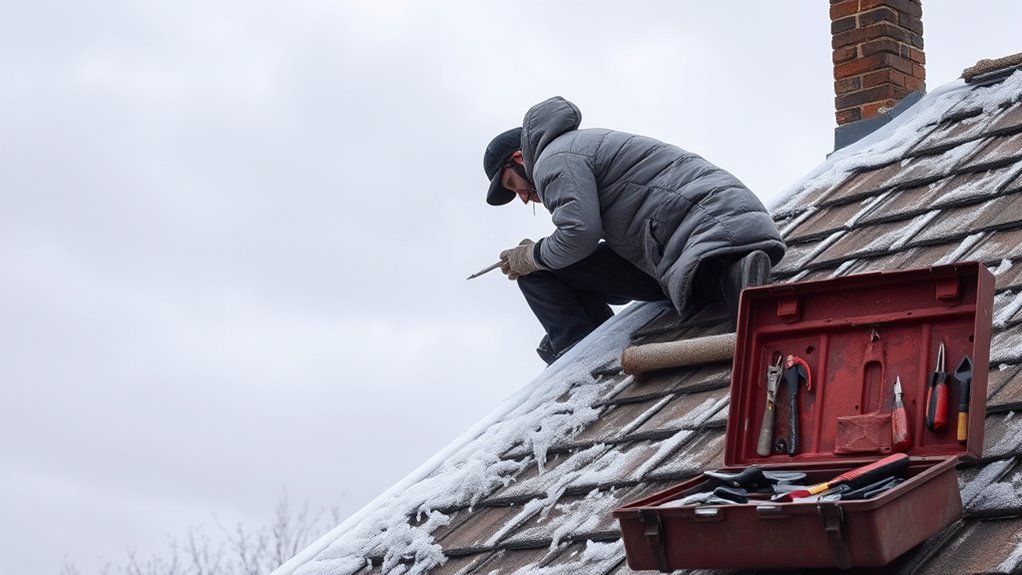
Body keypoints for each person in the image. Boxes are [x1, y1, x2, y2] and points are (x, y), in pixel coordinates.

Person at [483, 96, 785, 364]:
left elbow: (579, 234)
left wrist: (532, 257)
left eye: (513, 185)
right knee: (557, 266)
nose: (523, 198)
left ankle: (578, 363)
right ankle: (728, 278)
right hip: (697, 231)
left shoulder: (554, 158)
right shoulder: (574, 149)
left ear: (520, 158)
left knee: (536, 273)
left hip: (701, 224)